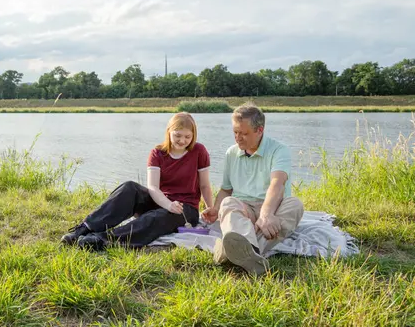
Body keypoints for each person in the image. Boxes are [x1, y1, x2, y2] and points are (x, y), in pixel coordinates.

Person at [61, 112, 214, 251]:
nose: (182, 141)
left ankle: (102, 240)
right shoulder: (158, 153)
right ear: (169, 132)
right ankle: (84, 229)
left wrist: (210, 209)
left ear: (193, 135)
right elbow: (153, 187)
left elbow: (205, 185)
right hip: (161, 201)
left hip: (185, 209)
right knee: (129, 187)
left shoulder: (199, 151)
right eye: (178, 135)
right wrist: (168, 204)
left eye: (188, 137)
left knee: (158, 217)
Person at [202, 103, 304, 275]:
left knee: (295, 205)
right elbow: (226, 190)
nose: (238, 138)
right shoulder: (231, 153)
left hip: (273, 206)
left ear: (259, 130)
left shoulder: (280, 150)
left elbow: (277, 184)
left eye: (244, 133)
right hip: (245, 208)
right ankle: (251, 253)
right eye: (235, 132)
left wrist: (266, 214)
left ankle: (235, 251)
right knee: (228, 203)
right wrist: (216, 208)